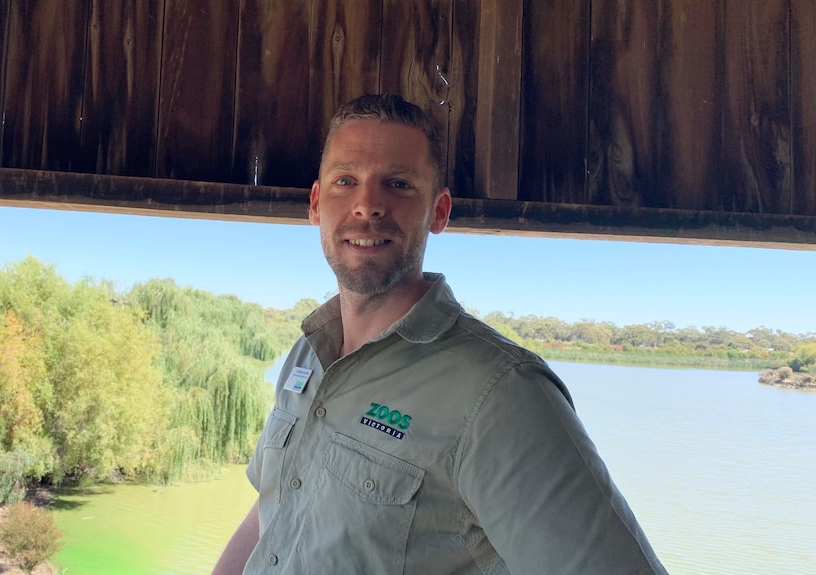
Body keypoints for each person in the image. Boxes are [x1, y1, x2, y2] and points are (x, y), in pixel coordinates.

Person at [213, 94, 667, 574]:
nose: (368, 205)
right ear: (316, 204)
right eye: (346, 181)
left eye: (399, 184)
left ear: (439, 212)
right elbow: (270, 511)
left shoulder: (502, 394)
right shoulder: (307, 353)